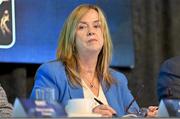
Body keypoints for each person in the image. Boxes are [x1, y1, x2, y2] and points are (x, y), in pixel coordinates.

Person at [30, 4, 157, 117]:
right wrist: (89, 116)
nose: (91, 32)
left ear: (104, 36)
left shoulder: (117, 80)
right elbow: (38, 116)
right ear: (71, 39)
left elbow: (134, 114)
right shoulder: (52, 73)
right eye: (82, 27)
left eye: (96, 26)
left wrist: (146, 114)